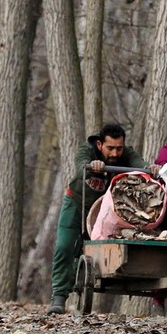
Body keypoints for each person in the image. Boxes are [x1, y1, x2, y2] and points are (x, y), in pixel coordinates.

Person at [48, 123, 147, 314]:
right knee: (64, 246)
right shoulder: (87, 150)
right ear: (100, 145)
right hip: (77, 204)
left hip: (104, 210)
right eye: (110, 148)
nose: (115, 153)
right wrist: (93, 166)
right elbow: (79, 167)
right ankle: (59, 296)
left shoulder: (126, 153)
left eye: (119, 148)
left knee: (92, 249)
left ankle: (79, 283)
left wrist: (148, 167)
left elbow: (139, 163)